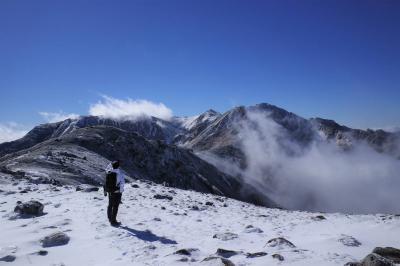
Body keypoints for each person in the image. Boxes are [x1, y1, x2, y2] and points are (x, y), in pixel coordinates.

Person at [105, 160, 125, 226]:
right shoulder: (119, 173)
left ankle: (109, 218)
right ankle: (113, 221)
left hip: (110, 191)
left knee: (110, 205)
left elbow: (107, 168)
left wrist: (111, 163)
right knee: (115, 206)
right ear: (118, 166)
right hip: (117, 192)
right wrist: (121, 192)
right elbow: (122, 183)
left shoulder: (108, 172)